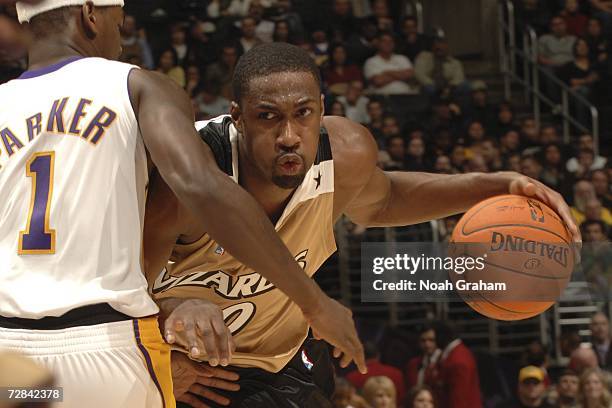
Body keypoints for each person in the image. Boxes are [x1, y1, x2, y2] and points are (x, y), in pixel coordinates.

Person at [145, 43, 579, 407]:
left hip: (279, 364)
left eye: (304, 113)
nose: (290, 135)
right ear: (237, 117)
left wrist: (497, 185)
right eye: (268, 117)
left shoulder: (344, 155)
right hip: (182, 372)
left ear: (322, 110)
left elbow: (385, 198)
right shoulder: (187, 177)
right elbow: (109, 284)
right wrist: (159, 340)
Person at [0, 3, 366, 408]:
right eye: (118, 27)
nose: (119, 44)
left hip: (9, 353)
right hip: (105, 340)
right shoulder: (138, 85)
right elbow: (202, 186)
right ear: (90, 14)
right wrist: (315, 303)